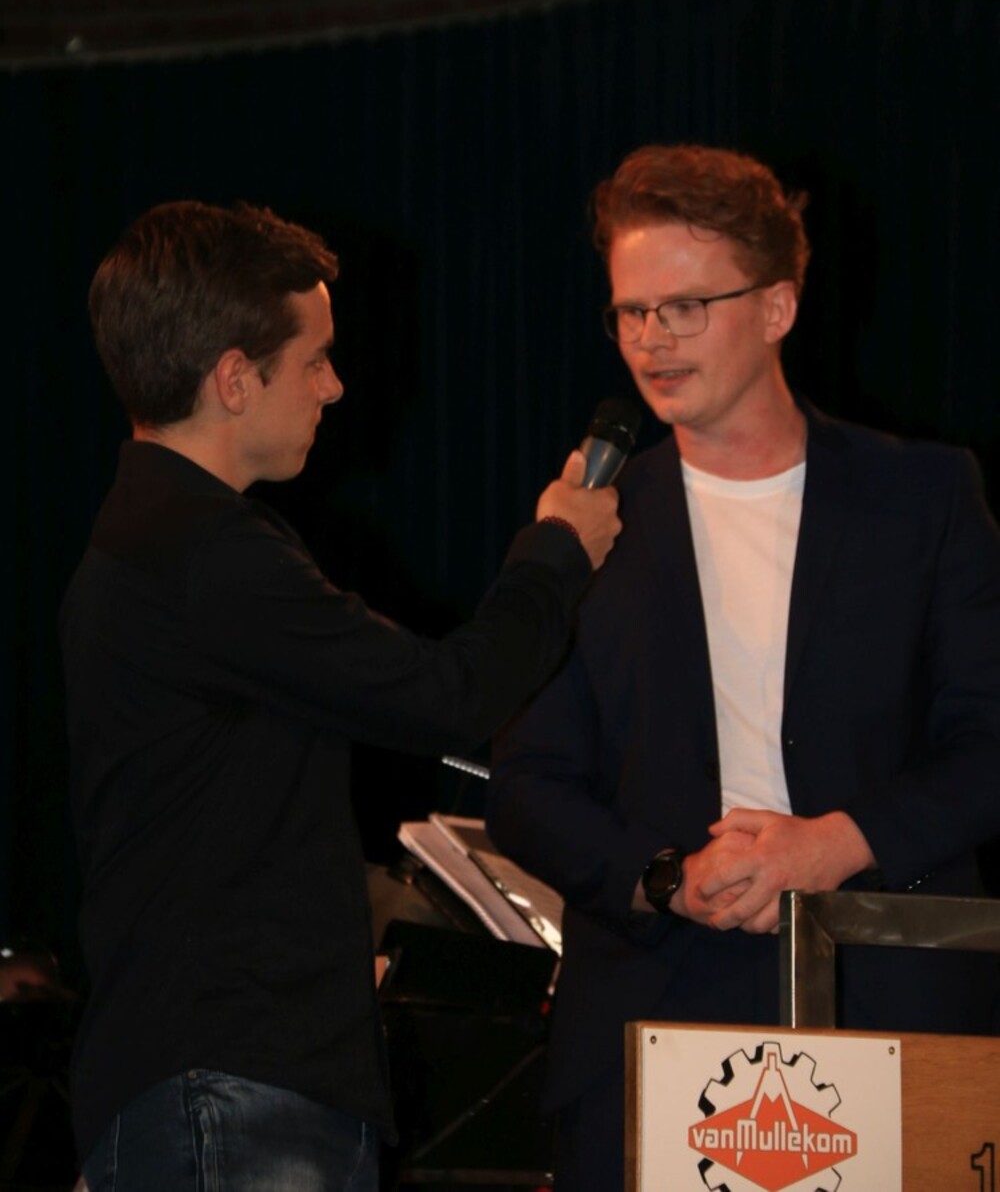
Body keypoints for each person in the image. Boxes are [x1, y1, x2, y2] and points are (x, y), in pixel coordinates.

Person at [60, 199, 621, 1192]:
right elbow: (446, 697)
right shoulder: (203, 553)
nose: (335, 385)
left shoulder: (160, 540)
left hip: (219, 1071)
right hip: (229, 1083)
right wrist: (559, 552)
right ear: (235, 378)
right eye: (314, 359)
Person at [486, 144, 1000, 1191]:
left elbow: (989, 741)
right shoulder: (589, 525)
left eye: (685, 306)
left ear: (776, 307)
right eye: (631, 312)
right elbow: (527, 785)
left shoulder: (922, 498)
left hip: (885, 994)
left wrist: (834, 844)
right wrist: (665, 876)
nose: (651, 339)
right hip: (654, 1009)